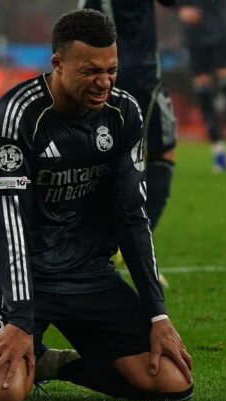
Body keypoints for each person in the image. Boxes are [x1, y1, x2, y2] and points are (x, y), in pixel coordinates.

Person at [0, 9, 193, 401]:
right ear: (57, 64)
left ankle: (51, 363)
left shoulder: (123, 113)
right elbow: (10, 220)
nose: (104, 82)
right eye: (90, 71)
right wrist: (20, 318)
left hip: (86, 271)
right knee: (2, 394)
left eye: (111, 70)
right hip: (19, 272)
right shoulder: (19, 113)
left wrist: (158, 315)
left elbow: (133, 217)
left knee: (171, 381)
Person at [80, 0, 177, 232]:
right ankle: (137, 237)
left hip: (104, 76)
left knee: (100, 156)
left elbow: (81, 25)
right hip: (143, 75)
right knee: (162, 154)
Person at [178, 0, 226, 172]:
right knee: (202, 86)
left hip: (220, 25)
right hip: (194, 30)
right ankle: (218, 149)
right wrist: (180, 9)